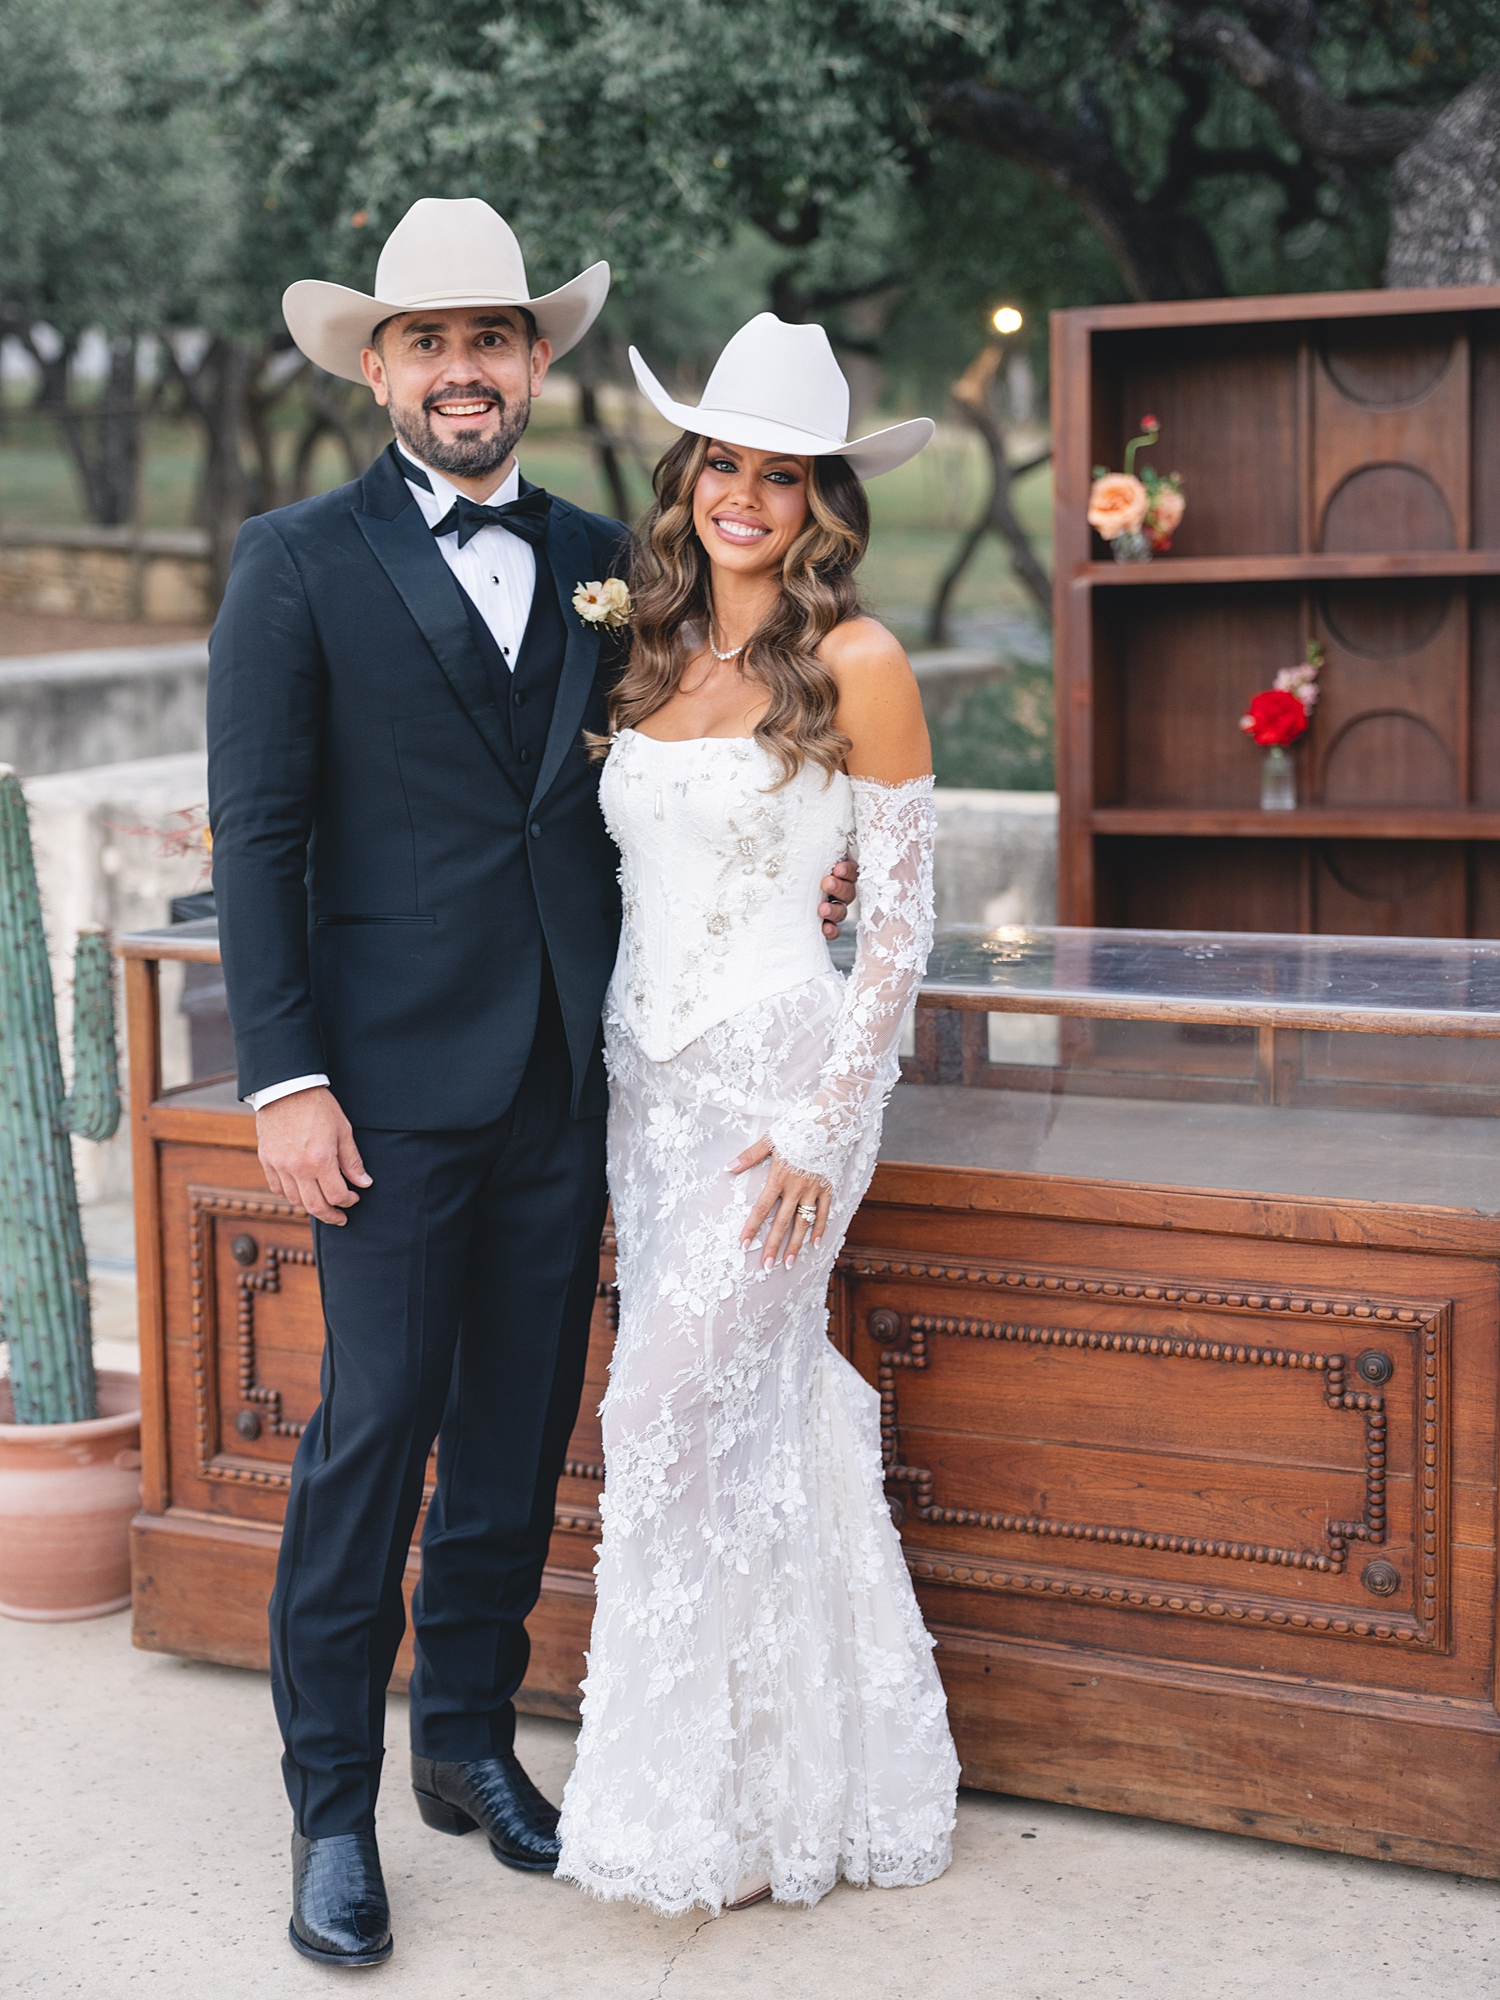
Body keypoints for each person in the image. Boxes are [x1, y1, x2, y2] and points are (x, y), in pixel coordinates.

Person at [208, 202, 861, 1967]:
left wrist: (835, 860)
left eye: (492, 336)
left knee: (512, 1444)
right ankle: (330, 1809)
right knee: (374, 1440)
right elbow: (261, 840)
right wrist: (286, 1079)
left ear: (537, 359)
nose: (464, 367)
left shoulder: (604, 559)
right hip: (388, 1100)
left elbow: (696, 748)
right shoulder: (295, 560)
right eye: (428, 340)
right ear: (377, 366)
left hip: (579, 1084)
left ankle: (469, 1747)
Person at [555, 314, 960, 1915]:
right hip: (643, 1092)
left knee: (657, 1416)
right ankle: (776, 1788)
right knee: (743, 1423)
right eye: (724, 460)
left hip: (783, 1096)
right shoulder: (649, 652)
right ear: (690, 475)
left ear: (819, 506)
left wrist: (820, 1128)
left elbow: (905, 928)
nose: (744, 495)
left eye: (780, 475)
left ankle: (684, 1796)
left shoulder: (862, 661)